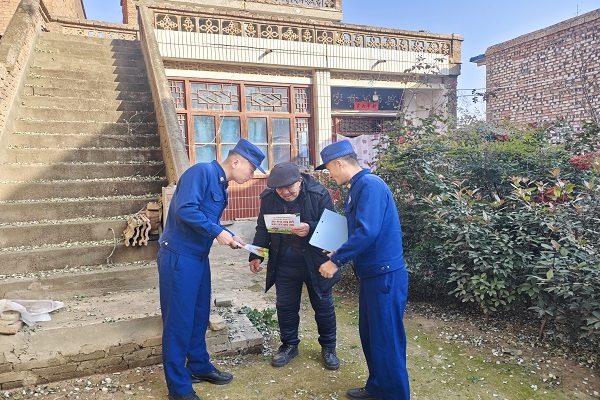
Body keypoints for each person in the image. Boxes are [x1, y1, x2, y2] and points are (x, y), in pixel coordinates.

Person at [157, 139, 266, 400]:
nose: (252, 175)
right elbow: (185, 209)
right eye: (252, 169)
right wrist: (217, 231)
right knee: (178, 322)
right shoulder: (202, 172)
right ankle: (178, 388)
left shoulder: (220, 184)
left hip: (197, 257)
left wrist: (229, 236)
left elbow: (205, 219)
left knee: (199, 314)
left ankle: (198, 365)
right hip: (179, 257)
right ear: (236, 161)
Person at [316, 141, 410, 400]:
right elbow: (359, 229)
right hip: (373, 275)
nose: (329, 175)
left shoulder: (370, 185)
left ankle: (395, 396)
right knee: (372, 336)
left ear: (339, 163)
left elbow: (367, 231)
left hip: (385, 277)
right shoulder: (357, 187)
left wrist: (336, 260)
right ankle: (377, 388)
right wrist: (337, 247)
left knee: (387, 340)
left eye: (329, 169)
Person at [249, 162, 341, 370]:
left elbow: (334, 229)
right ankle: (289, 345)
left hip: (316, 262)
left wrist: (310, 228)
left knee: (323, 306)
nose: (285, 192)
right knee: (286, 307)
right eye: (279, 189)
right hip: (284, 262)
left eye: (289, 187)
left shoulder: (318, 194)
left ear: (299, 181)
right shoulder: (269, 198)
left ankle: (329, 347)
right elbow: (262, 229)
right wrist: (256, 255)